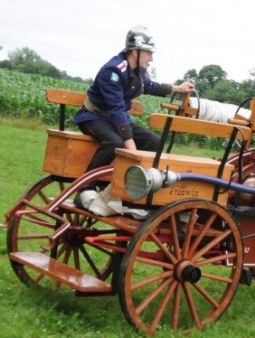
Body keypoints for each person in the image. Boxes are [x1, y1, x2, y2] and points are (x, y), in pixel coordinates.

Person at [73, 25, 195, 207]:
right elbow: (116, 109)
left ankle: (135, 190)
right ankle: (84, 189)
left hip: (113, 119)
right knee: (115, 142)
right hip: (93, 117)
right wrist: (130, 144)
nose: (152, 58)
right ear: (135, 51)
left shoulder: (137, 70)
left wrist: (177, 88)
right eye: (148, 53)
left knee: (154, 141)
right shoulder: (113, 71)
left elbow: (150, 86)